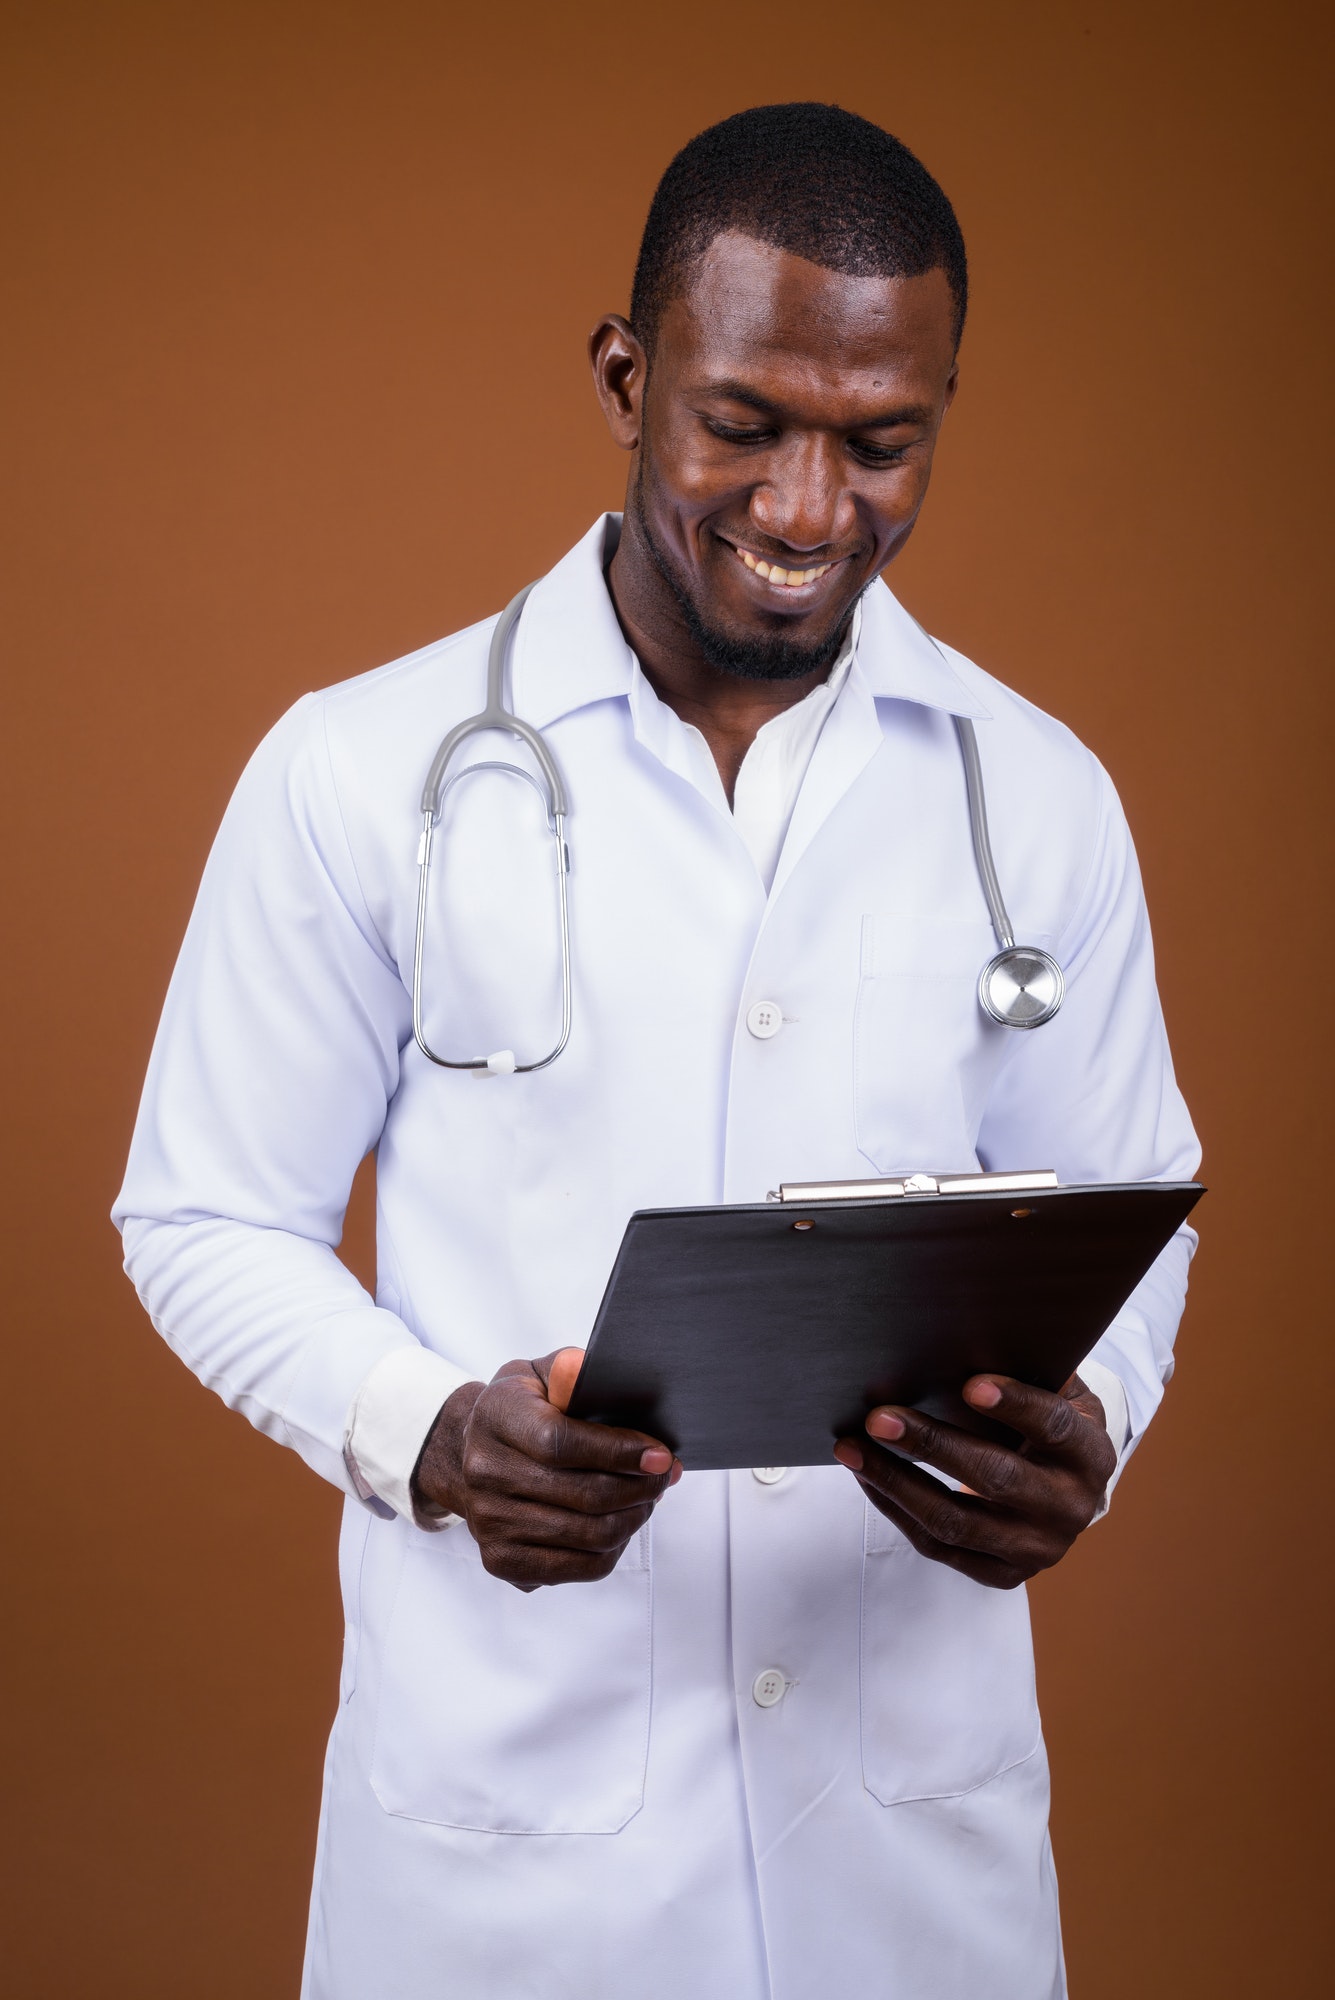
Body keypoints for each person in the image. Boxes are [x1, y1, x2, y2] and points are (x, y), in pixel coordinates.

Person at [114, 102, 1199, 2000]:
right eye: (743, 423)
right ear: (628, 373)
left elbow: (1133, 1217)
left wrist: (1087, 1424)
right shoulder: (358, 772)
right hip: (516, 1872)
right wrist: (428, 1438)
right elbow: (202, 1215)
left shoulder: (1037, 800)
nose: (805, 511)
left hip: (910, 1871)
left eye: (882, 443)